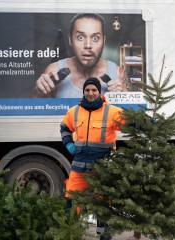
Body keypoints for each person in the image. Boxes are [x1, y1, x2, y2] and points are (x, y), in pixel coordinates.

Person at [60, 77, 124, 240]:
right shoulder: (74, 111)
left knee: (103, 204)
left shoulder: (111, 112)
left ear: (99, 92)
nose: (90, 93)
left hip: (102, 168)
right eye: (87, 90)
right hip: (79, 167)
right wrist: (68, 144)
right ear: (83, 92)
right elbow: (65, 127)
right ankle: (72, 234)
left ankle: (104, 236)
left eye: (94, 90)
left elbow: (131, 122)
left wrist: (147, 123)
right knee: (72, 201)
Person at [31, 13, 128, 98]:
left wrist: (124, 98)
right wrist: (36, 94)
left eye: (95, 38)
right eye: (80, 37)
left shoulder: (118, 74)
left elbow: (133, 115)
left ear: (103, 41)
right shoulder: (54, 71)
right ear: (70, 40)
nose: (88, 45)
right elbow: (33, 113)